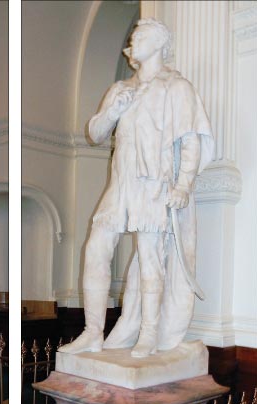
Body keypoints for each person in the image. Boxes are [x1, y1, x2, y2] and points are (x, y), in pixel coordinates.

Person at [59, 18, 214, 358]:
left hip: (153, 182)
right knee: (96, 247)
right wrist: (114, 109)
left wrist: (184, 184)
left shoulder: (176, 87)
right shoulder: (119, 89)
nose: (133, 40)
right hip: (121, 182)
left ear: (159, 43)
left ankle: (148, 333)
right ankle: (92, 332)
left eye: (140, 35)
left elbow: (191, 141)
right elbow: (95, 133)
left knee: (149, 258)